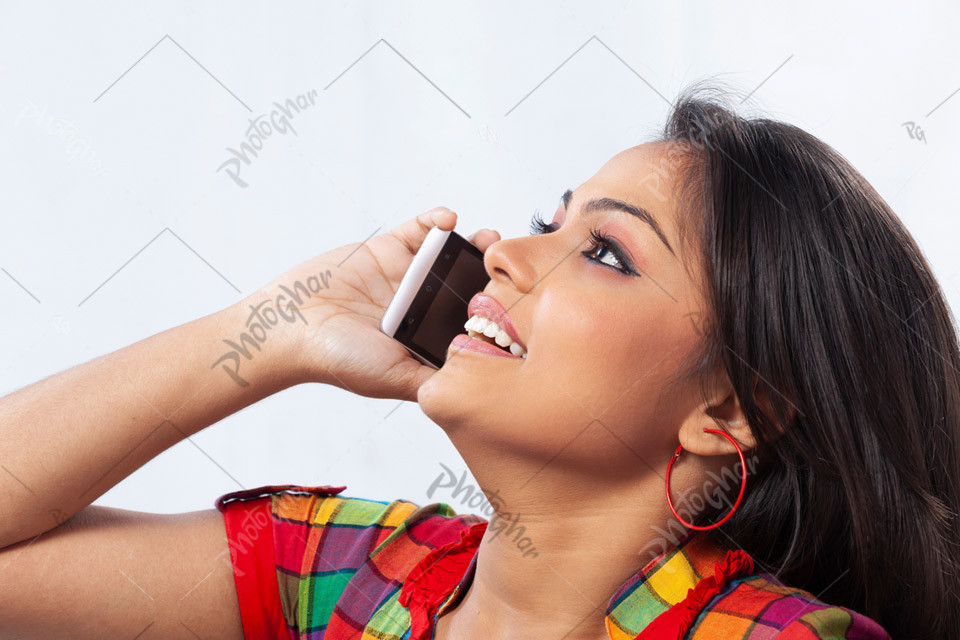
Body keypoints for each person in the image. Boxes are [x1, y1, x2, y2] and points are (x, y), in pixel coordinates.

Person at [1, 82, 957, 640]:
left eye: (605, 253)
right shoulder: (353, 570)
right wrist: (272, 331)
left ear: (731, 412)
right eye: (552, 217)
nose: (506, 250)